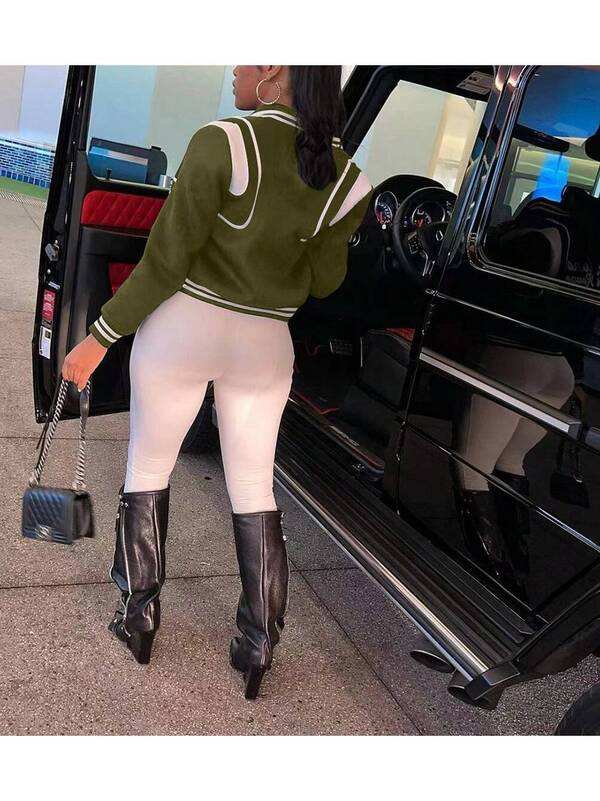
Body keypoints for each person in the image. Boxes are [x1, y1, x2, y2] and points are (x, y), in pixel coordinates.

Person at [61, 65, 373, 699]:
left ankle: (139, 617)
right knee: (254, 485)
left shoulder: (221, 141)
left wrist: (99, 337)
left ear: (276, 68)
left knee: (149, 466)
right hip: (266, 345)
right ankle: (258, 644)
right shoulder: (350, 180)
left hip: (185, 329)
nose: (236, 68)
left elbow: (163, 264)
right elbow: (325, 282)